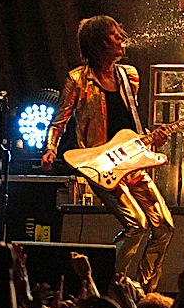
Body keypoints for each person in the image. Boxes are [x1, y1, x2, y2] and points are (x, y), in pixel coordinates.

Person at [42, 15, 174, 292]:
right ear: (99, 43)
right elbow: (59, 122)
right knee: (136, 224)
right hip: (100, 166)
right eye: (114, 35)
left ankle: (144, 293)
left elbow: (130, 122)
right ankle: (112, 285)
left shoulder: (130, 76)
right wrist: (50, 149)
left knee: (163, 226)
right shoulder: (77, 80)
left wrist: (152, 139)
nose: (120, 39)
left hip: (133, 161)